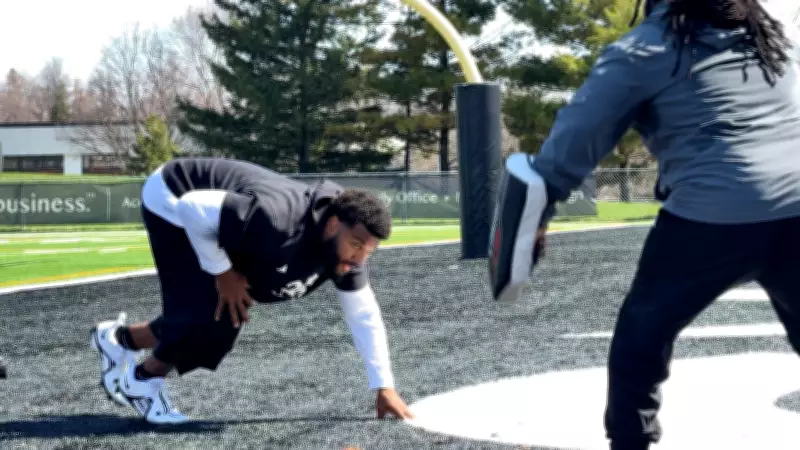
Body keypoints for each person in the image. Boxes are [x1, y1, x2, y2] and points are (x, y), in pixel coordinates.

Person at [490, 1, 800, 449]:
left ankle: (630, 439)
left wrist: (540, 210)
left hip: (712, 219)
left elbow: (579, 136)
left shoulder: (645, 49)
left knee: (643, 334)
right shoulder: (774, 36)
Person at [89, 157, 414, 425]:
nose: (359, 259)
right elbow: (192, 207)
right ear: (332, 225)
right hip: (173, 196)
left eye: (368, 251)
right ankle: (143, 380)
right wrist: (223, 273)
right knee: (217, 311)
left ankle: (119, 339)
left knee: (227, 308)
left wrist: (384, 385)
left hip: (221, 221)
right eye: (355, 245)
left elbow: (364, 314)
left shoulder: (345, 250)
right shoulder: (277, 219)